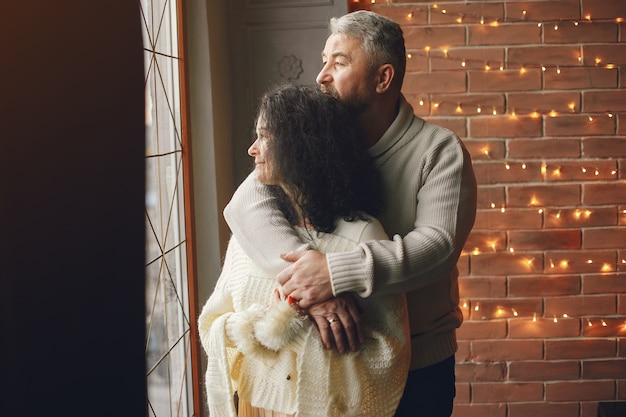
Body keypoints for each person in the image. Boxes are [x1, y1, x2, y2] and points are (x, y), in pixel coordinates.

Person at [223, 11, 478, 417]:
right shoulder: (316, 137)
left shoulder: (439, 150)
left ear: (383, 78)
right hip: (336, 361)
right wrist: (308, 283)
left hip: (421, 364)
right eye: (325, 61)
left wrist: (335, 273)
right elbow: (246, 203)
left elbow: (438, 245)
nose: (322, 75)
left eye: (339, 63)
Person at [198, 83, 410, 417]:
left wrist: (294, 323)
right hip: (250, 407)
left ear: (303, 145)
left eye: (265, 137)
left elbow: (387, 355)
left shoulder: (362, 236)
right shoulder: (252, 235)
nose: (253, 149)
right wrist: (262, 322)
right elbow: (213, 323)